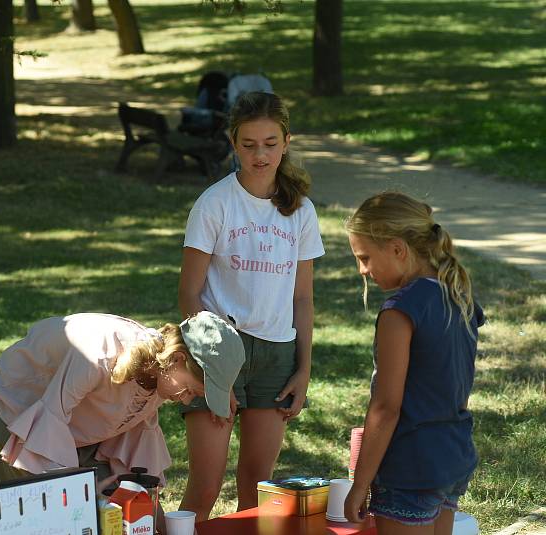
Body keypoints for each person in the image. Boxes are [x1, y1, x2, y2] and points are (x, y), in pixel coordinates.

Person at [177, 91, 326, 520]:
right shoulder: (215, 203)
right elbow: (189, 294)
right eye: (248, 144)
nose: (260, 154)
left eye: (270, 143)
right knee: (204, 487)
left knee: (258, 494)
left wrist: (303, 369)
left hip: (277, 355)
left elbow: (303, 298)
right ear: (232, 142)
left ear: (286, 141)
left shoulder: (301, 210)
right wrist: (213, 365)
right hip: (218, 349)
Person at [342, 192, 484, 534]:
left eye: (364, 257)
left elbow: (386, 407)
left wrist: (359, 484)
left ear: (396, 249)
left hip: (410, 464)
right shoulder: (458, 295)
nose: (362, 270)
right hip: (452, 456)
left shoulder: (399, 310)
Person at [0, 311, 244, 490]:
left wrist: (160, 523)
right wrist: (81, 498)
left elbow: (137, 478)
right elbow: (50, 422)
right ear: (178, 359)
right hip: (23, 414)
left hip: (75, 428)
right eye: (190, 390)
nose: (186, 402)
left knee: (111, 513)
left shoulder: (162, 379)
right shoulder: (98, 354)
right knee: (39, 516)